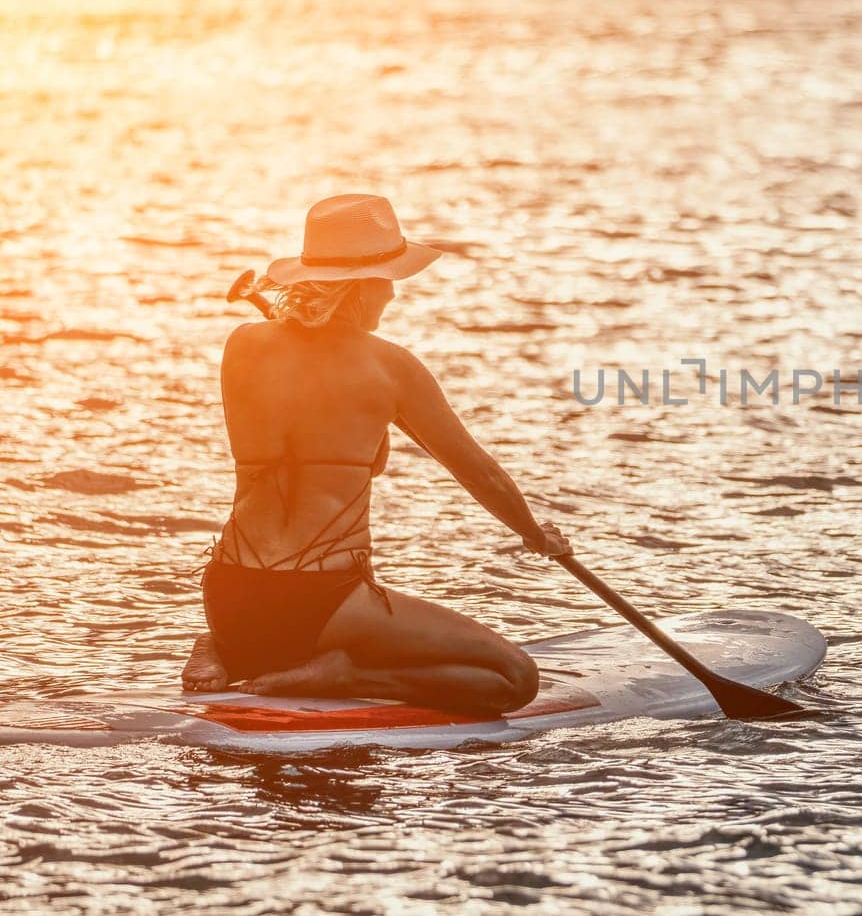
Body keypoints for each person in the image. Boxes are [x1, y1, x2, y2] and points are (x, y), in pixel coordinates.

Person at [180, 193, 571, 716]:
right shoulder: (391, 368)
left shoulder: (243, 346)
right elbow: (478, 472)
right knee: (513, 679)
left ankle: (228, 649)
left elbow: (306, 401)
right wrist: (533, 534)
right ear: (362, 289)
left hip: (230, 592)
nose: (392, 294)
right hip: (322, 599)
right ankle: (346, 674)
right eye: (387, 280)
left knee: (268, 614)